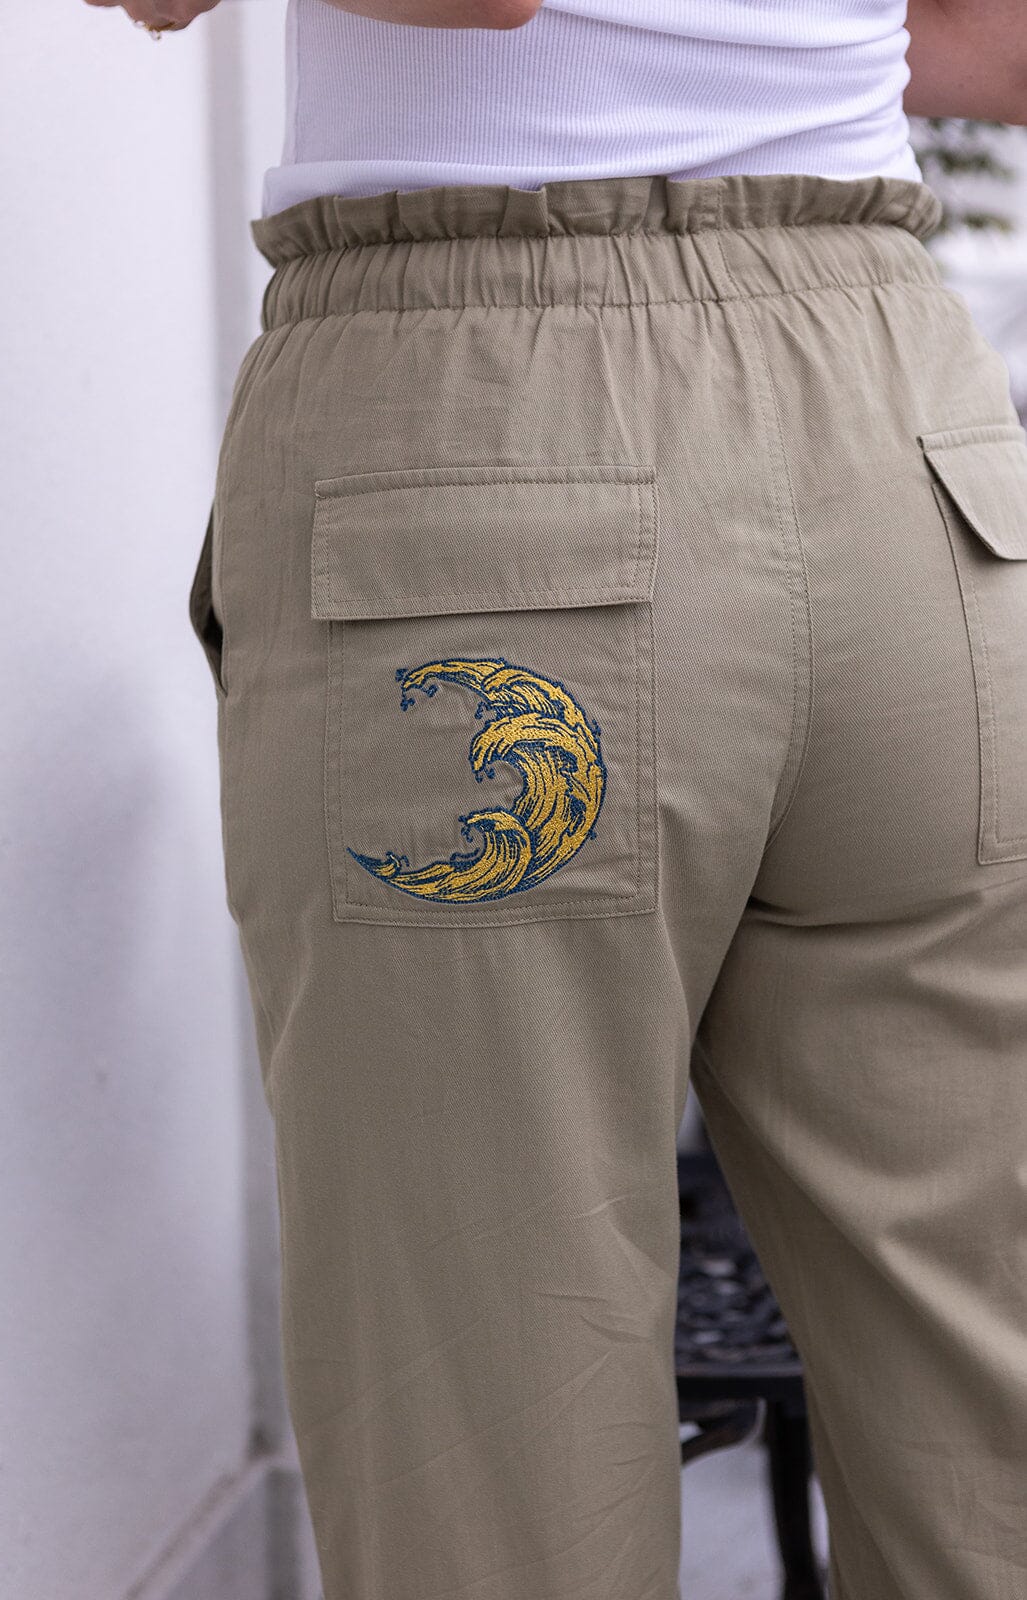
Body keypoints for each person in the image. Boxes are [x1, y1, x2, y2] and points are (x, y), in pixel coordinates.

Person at [86, 1, 1027, 1596]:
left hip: (494, 439)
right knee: (986, 1407)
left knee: (491, 1432)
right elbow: (996, 44)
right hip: (912, 450)